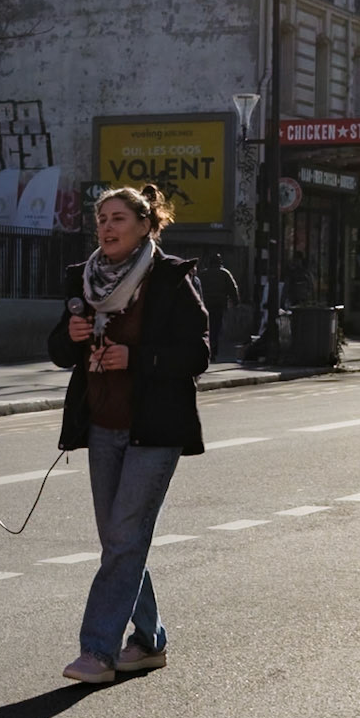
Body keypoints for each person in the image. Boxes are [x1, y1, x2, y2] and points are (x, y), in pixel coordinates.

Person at [48, 184, 209, 687]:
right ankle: (150, 641)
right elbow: (58, 348)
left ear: (145, 224)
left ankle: (97, 651)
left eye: (119, 217)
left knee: (122, 539)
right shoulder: (85, 279)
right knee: (120, 541)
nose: (107, 227)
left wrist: (138, 359)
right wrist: (70, 338)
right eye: (101, 219)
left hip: (154, 430)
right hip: (102, 425)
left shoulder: (169, 278)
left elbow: (200, 352)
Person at [198, 249, 239, 361]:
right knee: (216, 327)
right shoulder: (224, 273)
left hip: (205, 304)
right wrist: (236, 302)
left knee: (206, 327)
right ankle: (213, 350)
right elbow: (232, 288)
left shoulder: (203, 274)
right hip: (219, 304)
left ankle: (206, 348)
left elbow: (197, 288)